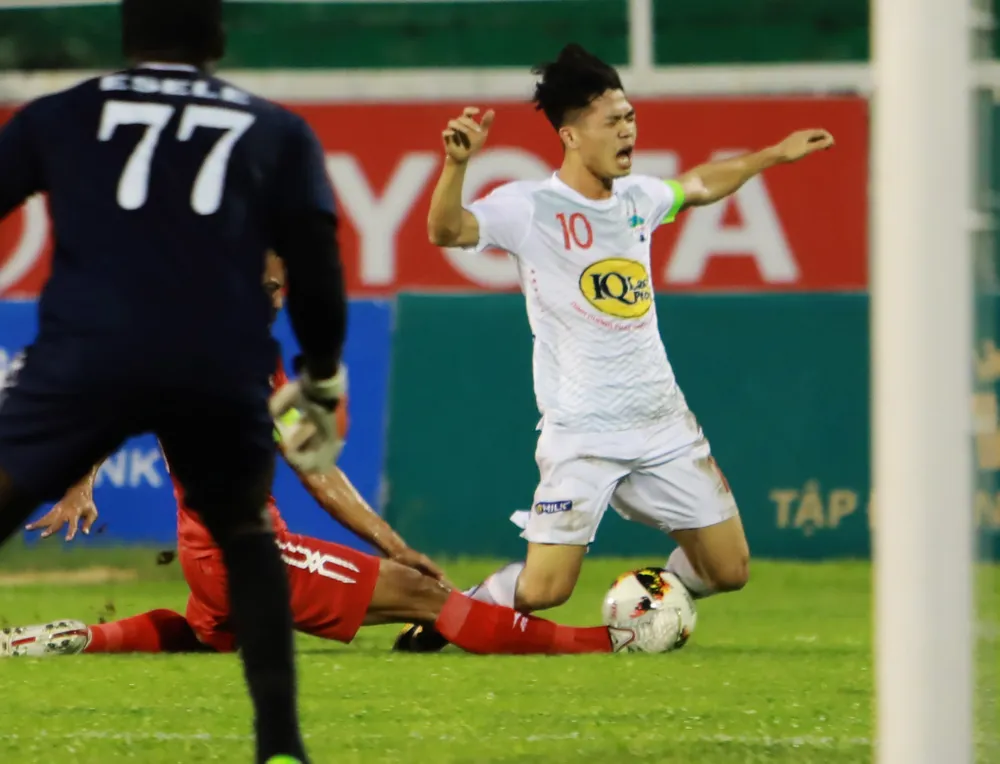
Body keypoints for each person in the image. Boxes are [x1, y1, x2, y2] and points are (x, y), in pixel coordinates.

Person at [399, 43, 835, 651]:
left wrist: (773, 155)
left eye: (630, 117)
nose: (628, 129)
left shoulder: (638, 199)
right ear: (572, 135)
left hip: (662, 425)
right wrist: (456, 165)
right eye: (613, 121)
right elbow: (445, 230)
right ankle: (452, 612)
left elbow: (699, 185)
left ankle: (646, 604)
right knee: (544, 590)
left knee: (728, 569)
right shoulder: (530, 207)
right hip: (583, 433)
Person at [0, 3, 349, 762]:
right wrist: (321, 378)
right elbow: (318, 267)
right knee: (246, 534)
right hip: (215, 358)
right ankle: (280, 743)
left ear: (127, 36)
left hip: (88, 351)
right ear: (216, 38)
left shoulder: (60, 114)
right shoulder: (275, 128)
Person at [3, 257, 661, 659]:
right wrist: (79, 483)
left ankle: (79, 637)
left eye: (279, 288)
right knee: (424, 596)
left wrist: (394, 543)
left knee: (206, 638)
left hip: (219, 558)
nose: (275, 299)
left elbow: (317, 470)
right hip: (243, 558)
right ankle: (609, 641)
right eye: (266, 286)